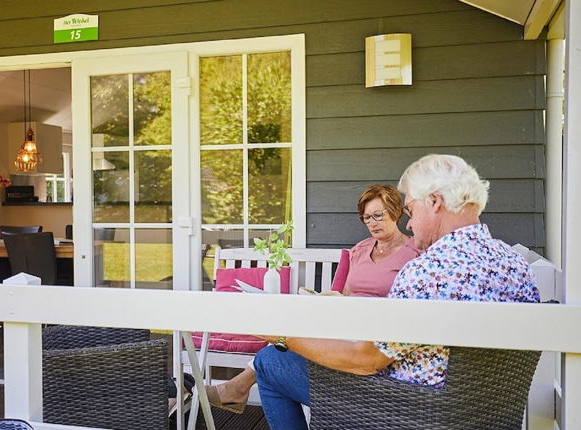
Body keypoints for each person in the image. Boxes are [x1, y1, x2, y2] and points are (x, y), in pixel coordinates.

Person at [252, 154, 540, 430]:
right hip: (481, 410)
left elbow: (366, 361)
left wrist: (282, 336)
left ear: (435, 202)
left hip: (402, 407)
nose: (411, 224)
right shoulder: (516, 264)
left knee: (269, 361)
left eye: (411, 211)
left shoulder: (428, 270)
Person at [206, 184, 422, 414]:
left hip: (373, 336)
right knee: (283, 336)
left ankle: (236, 387)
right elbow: (347, 293)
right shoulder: (360, 249)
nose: (372, 222)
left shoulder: (415, 252)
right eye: (367, 217)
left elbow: (405, 302)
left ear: (396, 211)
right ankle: (236, 388)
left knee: (270, 356)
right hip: (345, 324)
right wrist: (331, 299)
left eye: (378, 215)